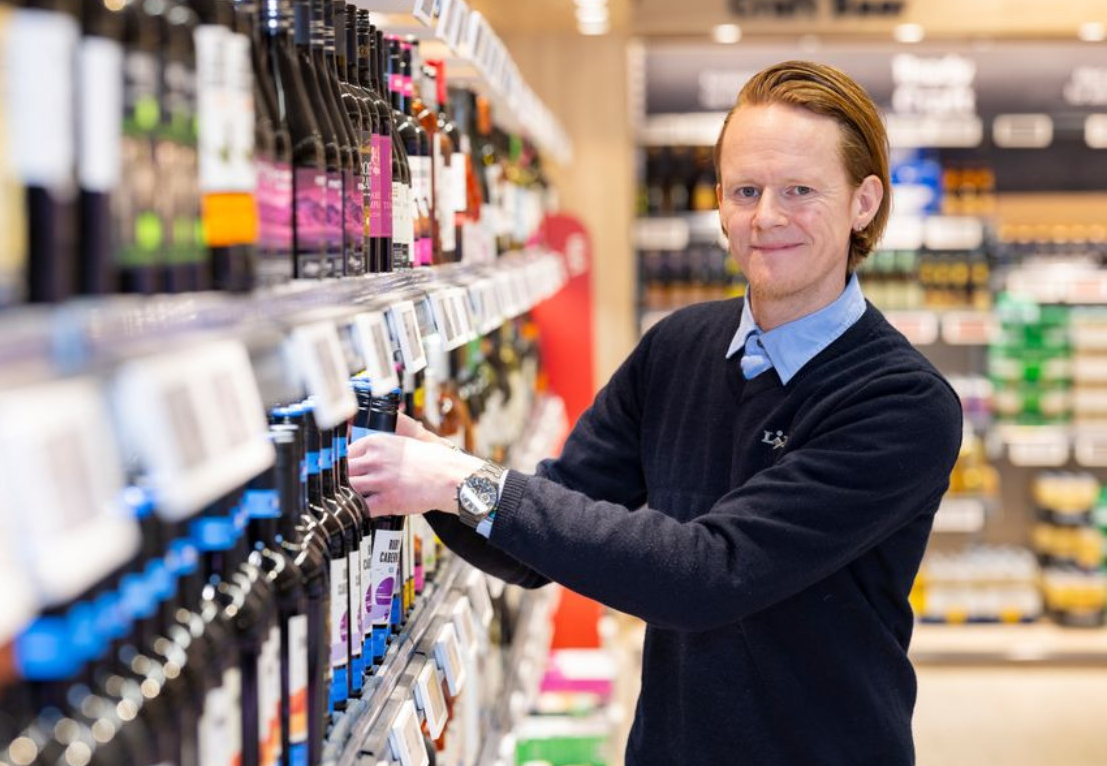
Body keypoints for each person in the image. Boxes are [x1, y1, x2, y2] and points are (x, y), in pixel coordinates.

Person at [347, 61, 962, 766]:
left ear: (863, 202)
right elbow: (536, 533)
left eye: (799, 190)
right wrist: (421, 466)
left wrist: (461, 480)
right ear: (720, 203)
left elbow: (709, 573)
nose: (766, 217)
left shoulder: (901, 403)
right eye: (746, 190)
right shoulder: (678, 348)